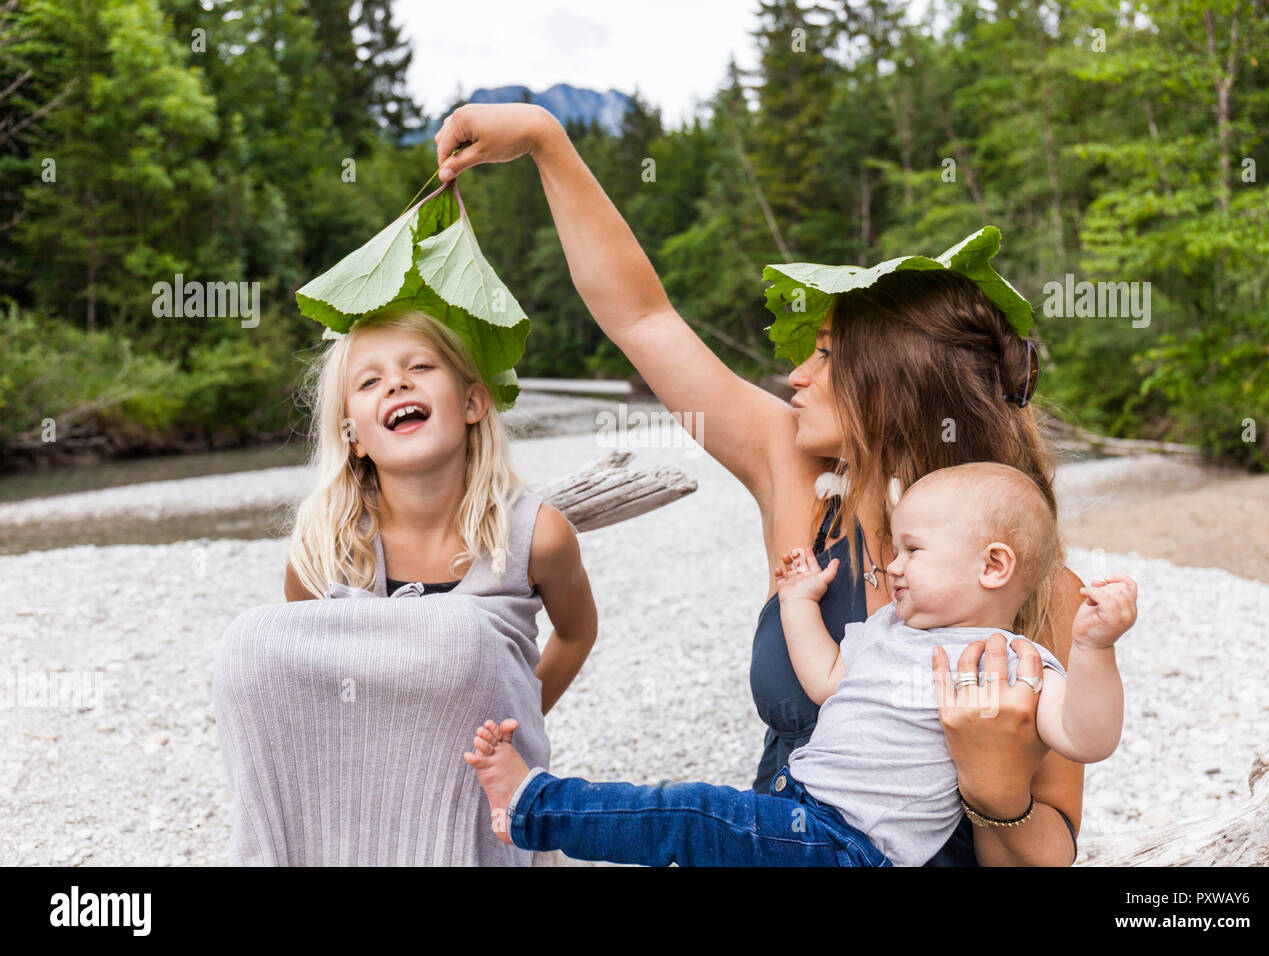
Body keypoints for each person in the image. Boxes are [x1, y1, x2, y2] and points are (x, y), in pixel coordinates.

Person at [432, 102, 1088, 865]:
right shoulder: (801, 484)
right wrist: (546, 139)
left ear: (896, 387)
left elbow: (1047, 855)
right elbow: (643, 318)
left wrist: (991, 786)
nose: (794, 375)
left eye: (827, 355)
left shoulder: (1042, 589)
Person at [462, 463, 1133, 866]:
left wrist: (1095, 649)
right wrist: (796, 602)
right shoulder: (888, 631)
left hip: (851, 846)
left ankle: (534, 805)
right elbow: (825, 678)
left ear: (993, 566)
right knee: (688, 826)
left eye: (913, 550)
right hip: (801, 808)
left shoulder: (1018, 662)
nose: (892, 565)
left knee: (684, 814)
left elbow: (1087, 737)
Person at [281, 307, 598, 717]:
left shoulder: (538, 535)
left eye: (420, 365)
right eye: (370, 381)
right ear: (352, 436)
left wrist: (518, 719)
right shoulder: (323, 548)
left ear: (472, 403)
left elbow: (576, 634)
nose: (397, 382)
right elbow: (304, 675)